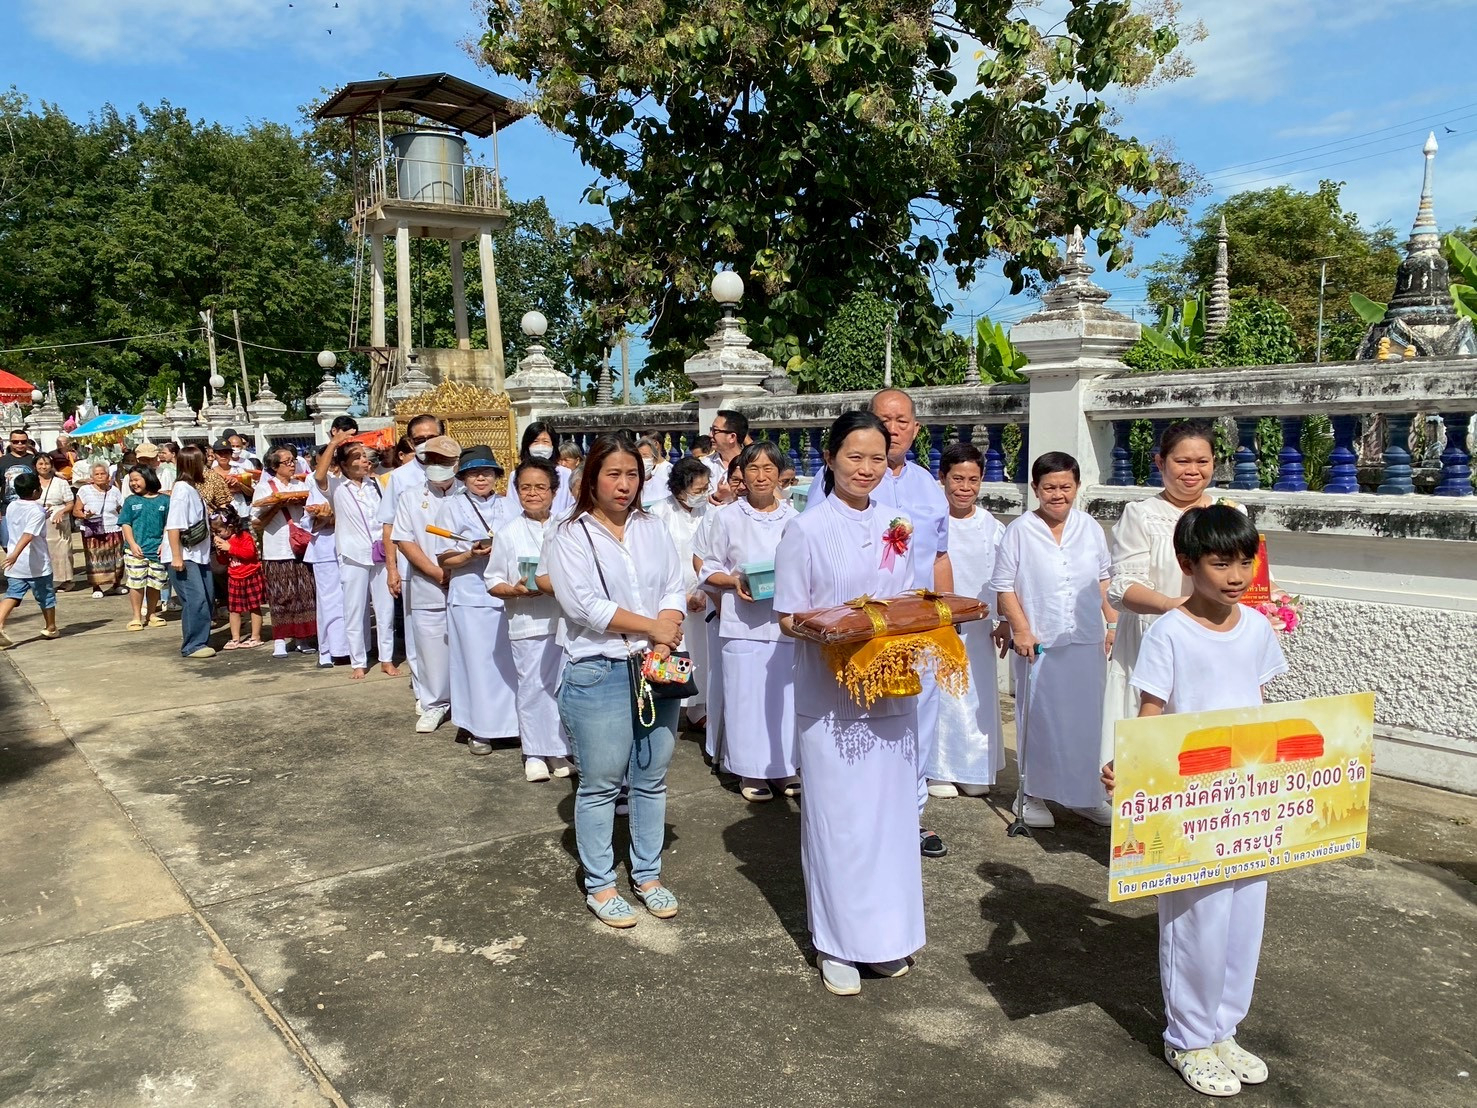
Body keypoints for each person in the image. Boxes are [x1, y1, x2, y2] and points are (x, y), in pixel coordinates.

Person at [1101, 505, 1286, 1098]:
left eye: (1243, 562)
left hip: (1246, 801)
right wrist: (1131, 771)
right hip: (1188, 802)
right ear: (1188, 564)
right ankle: (1187, 1036)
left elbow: (1260, 707)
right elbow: (1151, 715)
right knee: (1196, 919)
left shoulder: (1257, 628)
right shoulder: (1170, 632)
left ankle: (1224, 1027)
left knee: (1243, 917)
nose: (1234, 575)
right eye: (1220, 562)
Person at [773, 410, 923, 996]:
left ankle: (884, 939)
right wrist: (836, 633)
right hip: (830, 694)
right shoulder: (805, 530)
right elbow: (788, 616)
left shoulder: (897, 522)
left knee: (888, 822)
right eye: (853, 456)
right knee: (840, 823)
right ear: (830, 458)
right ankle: (836, 943)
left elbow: (905, 598)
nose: (865, 468)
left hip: (889, 688)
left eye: (875, 457)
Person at [543, 434, 686, 928]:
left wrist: (664, 637)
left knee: (651, 777)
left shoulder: (653, 527)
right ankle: (601, 884)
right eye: (613, 474)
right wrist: (652, 627)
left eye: (632, 475)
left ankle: (648, 875)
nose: (624, 485)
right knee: (602, 783)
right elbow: (585, 606)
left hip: (654, 667)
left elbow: (674, 585)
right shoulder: (569, 535)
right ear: (590, 479)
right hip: (598, 669)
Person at [806, 389, 953, 858]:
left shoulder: (927, 485)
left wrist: (946, 615)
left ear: (914, 427)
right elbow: (814, 561)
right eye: (884, 420)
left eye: (903, 420)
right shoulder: (832, 485)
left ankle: (911, 815)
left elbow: (939, 555)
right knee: (858, 730)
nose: (894, 428)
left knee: (916, 719)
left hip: (914, 630)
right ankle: (864, 818)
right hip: (854, 636)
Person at [990, 452, 1117, 829]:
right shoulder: (1019, 530)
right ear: (1035, 489)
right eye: (1049, 488)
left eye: (1065, 487)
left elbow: (1104, 579)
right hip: (1039, 642)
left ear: (1076, 487)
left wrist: (1113, 624)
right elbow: (1003, 586)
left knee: (1087, 721)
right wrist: (1021, 629)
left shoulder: (1090, 527)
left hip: (1085, 640)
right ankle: (1031, 795)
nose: (1057, 495)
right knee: (1040, 720)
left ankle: (1086, 795)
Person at [1103, 420, 1217, 772]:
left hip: (1213, 643)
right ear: (1160, 462)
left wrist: (1274, 604)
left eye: (1202, 461)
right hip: (1153, 639)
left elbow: (1251, 574)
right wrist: (1174, 606)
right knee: (1153, 735)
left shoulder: (1230, 512)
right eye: (1182, 462)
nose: (1193, 471)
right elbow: (1122, 588)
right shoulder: (1142, 515)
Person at [698, 441, 798, 801]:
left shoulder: (794, 518)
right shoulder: (726, 517)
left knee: (783, 698)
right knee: (745, 697)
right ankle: (748, 771)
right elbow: (708, 567)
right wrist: (734, 581)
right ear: (742, 474)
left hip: (783, 621)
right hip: (741, 622)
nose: (761, 476)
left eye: (768, 469)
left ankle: (785, 768)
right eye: (753, 469)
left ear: (780, 475)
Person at [482, 456, 573, 777]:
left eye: (540, 487)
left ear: (553, 490)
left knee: (562, 688)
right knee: (532, 686)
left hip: (565, 622)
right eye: (525, 488)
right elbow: (492, 581)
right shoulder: (508, 533)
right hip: (527, 623)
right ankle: (534, 752)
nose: (533, 493)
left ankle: (559, 751)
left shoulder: (567, 527)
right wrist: (517, 591)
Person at [929, 442, 1006, 798]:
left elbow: (1005, 577)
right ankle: (939, 767)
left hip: (979, 626)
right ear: (942, 477)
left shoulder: (990, 526)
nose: (965, 487)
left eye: (973, 480)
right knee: (941, 692)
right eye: (957, 478)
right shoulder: (931, 521)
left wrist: (1003, 618)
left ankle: (974, 766)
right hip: (937, 624)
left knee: (976, 693)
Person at [436, 445, 520, 754]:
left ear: (497, 475)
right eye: (473, 473)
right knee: (476, 664)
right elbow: (444, 557)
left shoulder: (511, 506)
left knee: (508, 664)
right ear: (463, 478)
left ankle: (512, 725)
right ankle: (479, 729)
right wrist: (470, 554)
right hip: (471, 595)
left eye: (486, 472)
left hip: (507, 595)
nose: (480, 478)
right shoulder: (451, 508)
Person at [391, 435, 461, 732]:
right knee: (430, 646)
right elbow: (404, 540)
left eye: (444, 462)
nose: (437, 467)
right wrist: (435, 572)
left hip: (465, 581)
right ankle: (435, 704)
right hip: (427, 582)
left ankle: (466, 705)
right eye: (431, 461)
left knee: (469, 645)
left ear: (456, 464)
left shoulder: (468, 494)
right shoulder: (409, 496)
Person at [377, 414, 441, 702]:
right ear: (411, 443)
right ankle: (423, 694)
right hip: (412, 565)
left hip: (453, 562)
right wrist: (392, 569)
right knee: (418, 632)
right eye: (419, 440)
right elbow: (388, 525)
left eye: (432, 437)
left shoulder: (456, 469)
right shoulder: (400, 478)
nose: (426, 444)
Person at [648, 457, 711, 732]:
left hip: (706, 596)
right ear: (679, 488)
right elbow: (654, 560)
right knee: (675, 651)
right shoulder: (660, 513)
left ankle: (699, 707)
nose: (703, 495)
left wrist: (707, 592)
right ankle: (671, 708)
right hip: (672, 598)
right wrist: (682, 596)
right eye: (697, 490)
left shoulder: (711, 512)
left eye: (705, 488)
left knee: (703, 655)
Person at [333, 440, 399, 680]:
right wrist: (335, 441)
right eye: (357, 457)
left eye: (365, 456)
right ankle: (358, 661)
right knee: (355, 609)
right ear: (343, 464)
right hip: (353, 555)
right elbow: (321, 472)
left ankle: (387, 659)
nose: (364, 460)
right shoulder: (337, 486)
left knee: (385, 610)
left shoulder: (379, 485)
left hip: (381, 554)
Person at [251, 446, 317, 658]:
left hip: (301, 546)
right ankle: (280, 639)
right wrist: (278, 504)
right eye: (286, 462)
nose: (291, 465)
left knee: (305, 595)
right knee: (281, 596)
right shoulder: (266, 487)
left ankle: (302, 637)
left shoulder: (301, 484)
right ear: (274, 466)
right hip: (277, 549)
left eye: (293, 461)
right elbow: (257, 522)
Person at [164, 445, 217, 659]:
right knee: (196, 599)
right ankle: (193, 644)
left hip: (198, 554)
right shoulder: (181, 490)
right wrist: (176, 556)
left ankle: (200, 638)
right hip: (185, 555)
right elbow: (174, 525)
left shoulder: (191, 488)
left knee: (207, 595)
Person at [306, 437, 351, 668]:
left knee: (351, 600)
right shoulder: (317, 483)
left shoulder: (351, 482)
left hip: (349, 547)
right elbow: (312, 521)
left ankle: (351, 648)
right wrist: (327, 518)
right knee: (329, 601)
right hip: (325, 548)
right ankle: (328, 650)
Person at [0, 473, 59, 648]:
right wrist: (15, 554)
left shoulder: (11, 506)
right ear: (36, 491)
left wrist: (12, 556)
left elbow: (23, 523)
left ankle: (0, 622)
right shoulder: (36, 511)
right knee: (46, 596)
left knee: (12, 594)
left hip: (16, 566)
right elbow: (28, 535)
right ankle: (51, 626)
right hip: (36, 563)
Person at [118, 465, 170, 631]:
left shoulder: (164, 500)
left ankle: (152, 614)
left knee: (155, 584)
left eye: (136, 479)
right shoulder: (130, 501)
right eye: (131, 480)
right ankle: (136, 616)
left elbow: (168, 525)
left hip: (157, 550)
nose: (133, 483)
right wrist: (132, 544)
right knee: (136, 583)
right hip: (136, 551)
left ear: (148, 478)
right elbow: (125, 523)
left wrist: (164, 543)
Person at [72, 462, 125, 597]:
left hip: (113, 527)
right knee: (94, 558)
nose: (100, 476)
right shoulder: (84, 490)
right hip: (93, 529)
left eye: (103, 473)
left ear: (108, 476)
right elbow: (76, 511)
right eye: (97, 474)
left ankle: (116, 584)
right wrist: (85, 515)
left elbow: (121, 508)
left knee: (116, 558)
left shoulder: (114, 490)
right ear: (92, 477)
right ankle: (96, 587)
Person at [215, 509, 265, 649]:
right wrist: (221, 551)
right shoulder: (225, 541)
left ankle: (256, 636)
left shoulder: (244, 536)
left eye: (219, 531)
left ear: (230, 527)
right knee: (234, 609)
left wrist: (229, 548)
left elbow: (249, 553)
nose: (217, 534)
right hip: (234, 576)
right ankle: (235, 638)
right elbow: (224, 561)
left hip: (250, 575)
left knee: (254, 607)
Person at [33, 452, 74, 592]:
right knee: (42, 550)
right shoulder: (32, 481)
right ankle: (46, 579)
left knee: (62, 551)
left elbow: (70, 503)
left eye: (47, 464)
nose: (44, 467)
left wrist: (61, 512)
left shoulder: (60, 482)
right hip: (39, 520)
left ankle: (65, 580)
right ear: (35, 466)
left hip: (58, 520)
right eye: (41, 464)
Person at [1, 429, 38, 551]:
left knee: (31, 543)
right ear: (10, 443)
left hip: (31, 507)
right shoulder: (2, 461)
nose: (19, 444)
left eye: (23, 441)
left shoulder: (35, 460)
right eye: (15, 441)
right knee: (7, 542)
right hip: (8, 507)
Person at [701, 410, 748, 491]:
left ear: (732, 437)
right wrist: (715, 497)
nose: (710, 435)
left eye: (715, 431)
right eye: (711, 430)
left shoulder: (750, 464)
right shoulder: (705, 464)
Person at [637, 435, 671, 507]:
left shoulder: (665, 485)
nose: (641, 460)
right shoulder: (628, 486)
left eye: (645, 456)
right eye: (638, 457)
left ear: (654, 460)